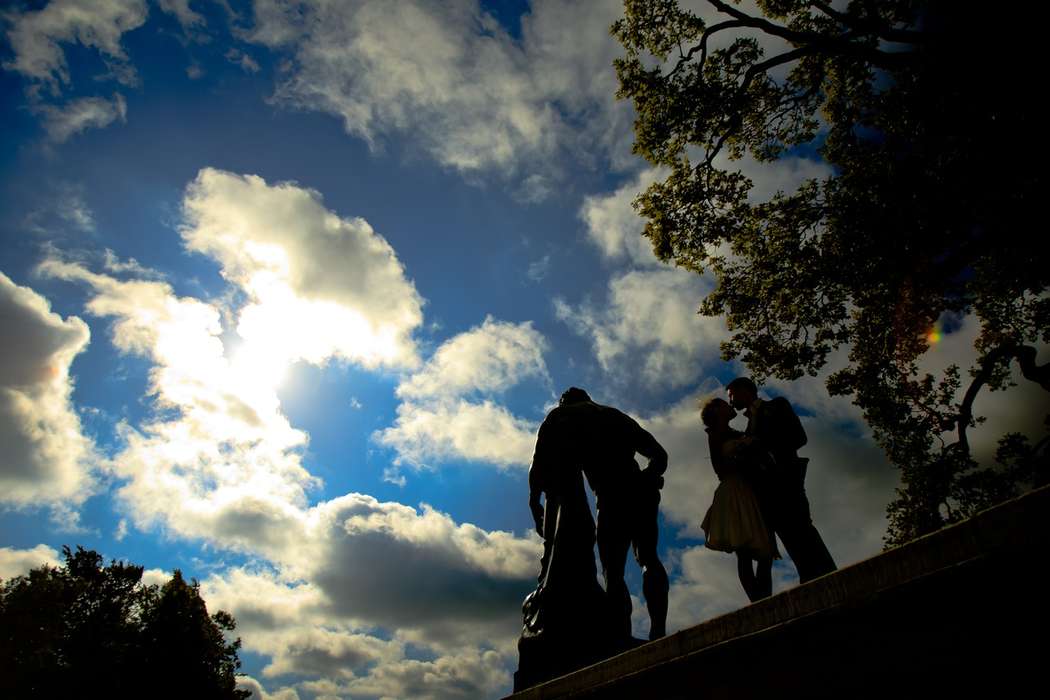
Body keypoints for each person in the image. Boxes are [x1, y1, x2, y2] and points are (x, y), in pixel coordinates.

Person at [554, 387, 670, 642]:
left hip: (611, 498)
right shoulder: (617, 417)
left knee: (613, 571)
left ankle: (621, 635)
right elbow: (659, 455)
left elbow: (560, 476)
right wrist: (647, 478)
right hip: (638, 493)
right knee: (648, 558)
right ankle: (657, 630)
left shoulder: (570, 422)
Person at [726, 377, 837, 583]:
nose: (730, 401)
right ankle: (810, 580)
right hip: (768, 491)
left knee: (802, 528)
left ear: (745, 390)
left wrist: (759, 445)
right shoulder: (748, 426)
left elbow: (798, 437)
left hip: (787, 478)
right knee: (789, 536)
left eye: (731, 395)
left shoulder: (777, 405)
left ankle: (829, 577)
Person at [699, 397, 778, 602]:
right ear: (717, 411)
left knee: (765, 551)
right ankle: (757, 602)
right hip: (734, 490)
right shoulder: (715, 435)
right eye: (725, 404)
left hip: (752, 489)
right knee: (743, 550)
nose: (730, 405)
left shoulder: (741, 433)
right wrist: (741, 457)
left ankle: (765, 598)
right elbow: (719, 469)